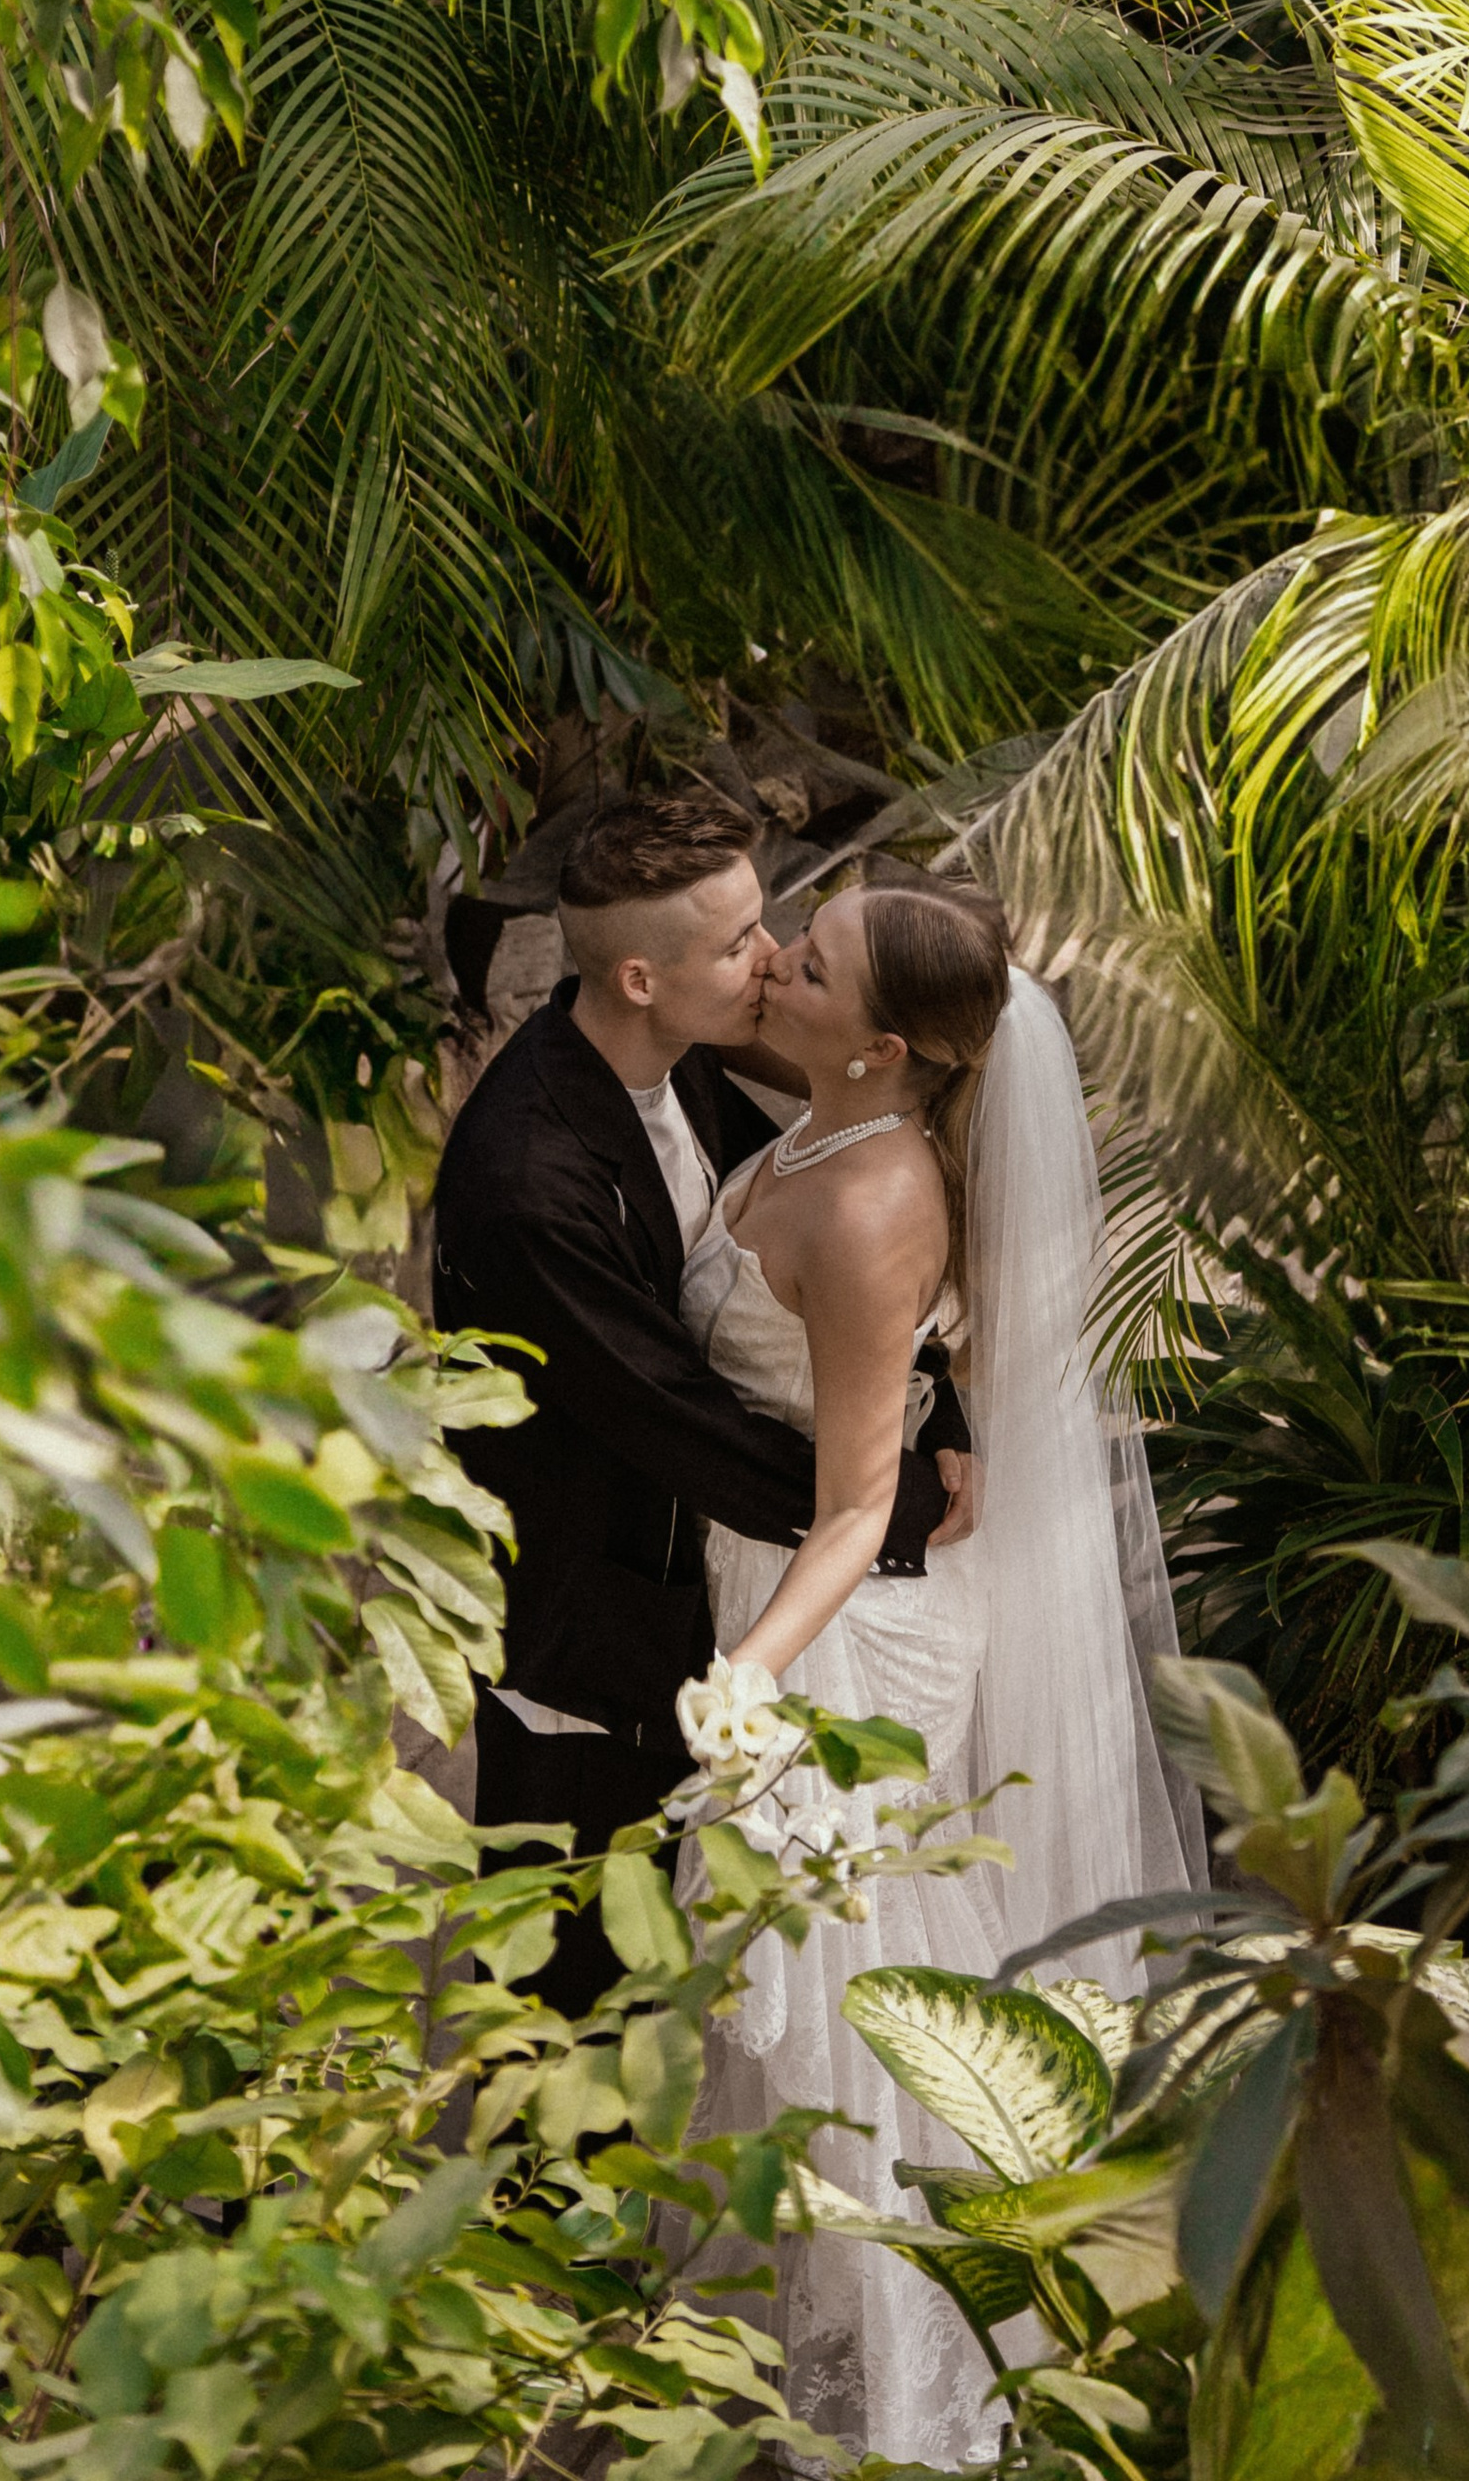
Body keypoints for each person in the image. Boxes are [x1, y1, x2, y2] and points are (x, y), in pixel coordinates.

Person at [677, 878, 1200, 2468]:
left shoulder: (867, 1197)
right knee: (838, 2003)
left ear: (883, 1041)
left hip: (836, 1624)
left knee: (861, 2017)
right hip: (797, 1586)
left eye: (808, 961)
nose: (776, 963)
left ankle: (926, 2406)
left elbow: (852, 1498)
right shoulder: (836, 1117)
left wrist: (746, 1686)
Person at [429, 782, 973, 2014]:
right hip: (592, 1637)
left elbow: (858, 1276)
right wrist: (869, 1520)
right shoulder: (529, 1179)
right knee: (570, 2004)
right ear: (637, 976)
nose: (773, 957)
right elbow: (677, 1417)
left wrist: (940, 1415)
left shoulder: (690, 1050)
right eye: (738, 941)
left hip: (707, 1603)